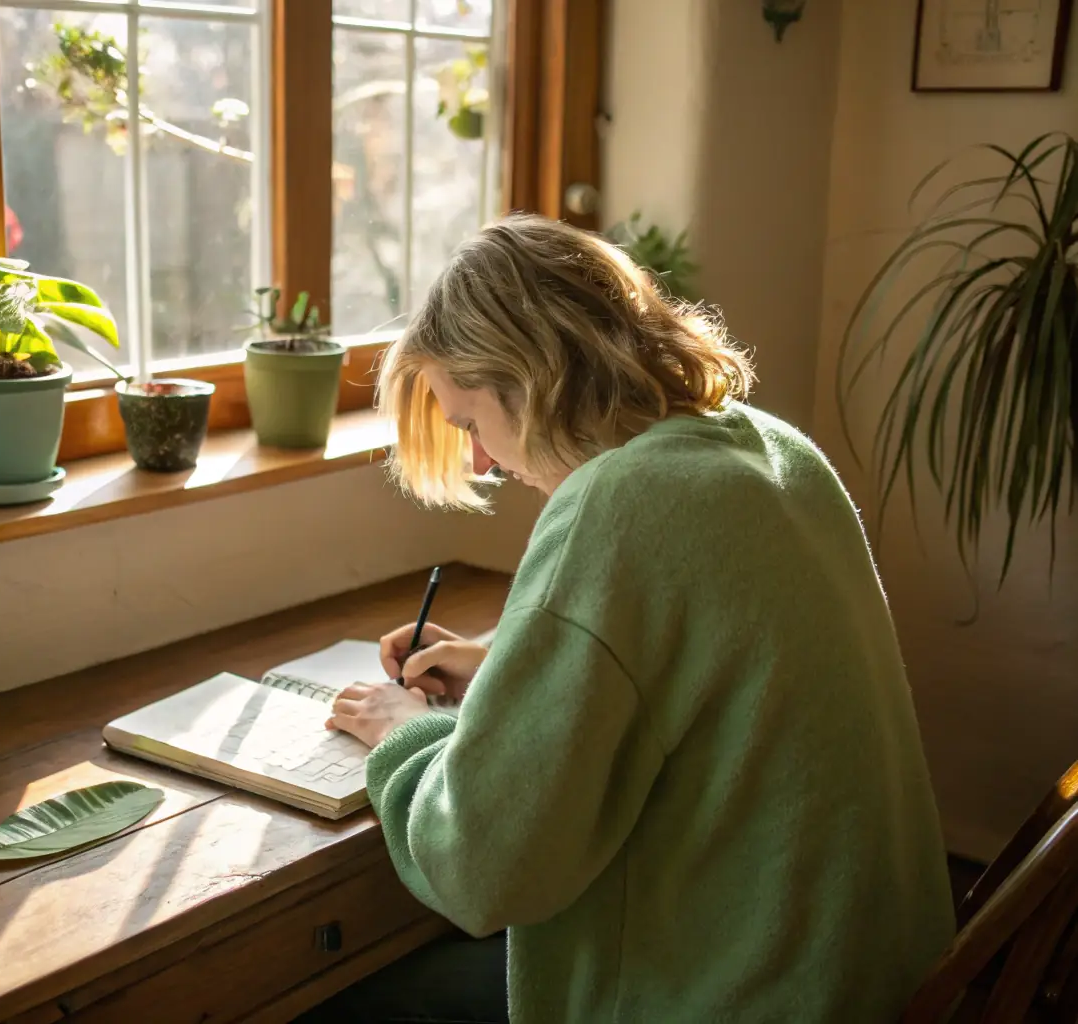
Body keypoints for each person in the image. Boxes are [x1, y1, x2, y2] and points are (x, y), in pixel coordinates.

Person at [298, 214, 955, 1023]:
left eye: (468, 423)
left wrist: (404, 729)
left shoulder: (618, 504)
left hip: (732, 994)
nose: (478, 462)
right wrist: (509, 666)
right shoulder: (767, 450)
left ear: (529, 379)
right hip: (871, 977)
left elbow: (480, 872)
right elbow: (701, 666)